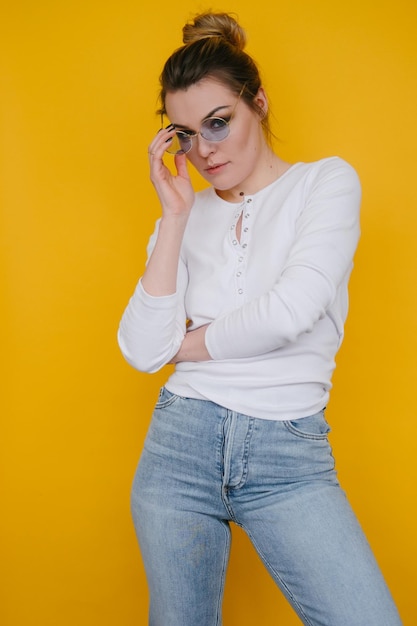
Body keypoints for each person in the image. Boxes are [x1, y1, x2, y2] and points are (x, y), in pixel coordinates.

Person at [118, 11, 402, 626]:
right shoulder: (184, 214)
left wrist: (185, 345)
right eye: (186, 134)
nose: (205, 149)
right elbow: (143, 350)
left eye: (220, 122)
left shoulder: (324, 184)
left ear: (260, 103)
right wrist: (172, 219)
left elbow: (292, 311)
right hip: (179, 450)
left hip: (287, 455)